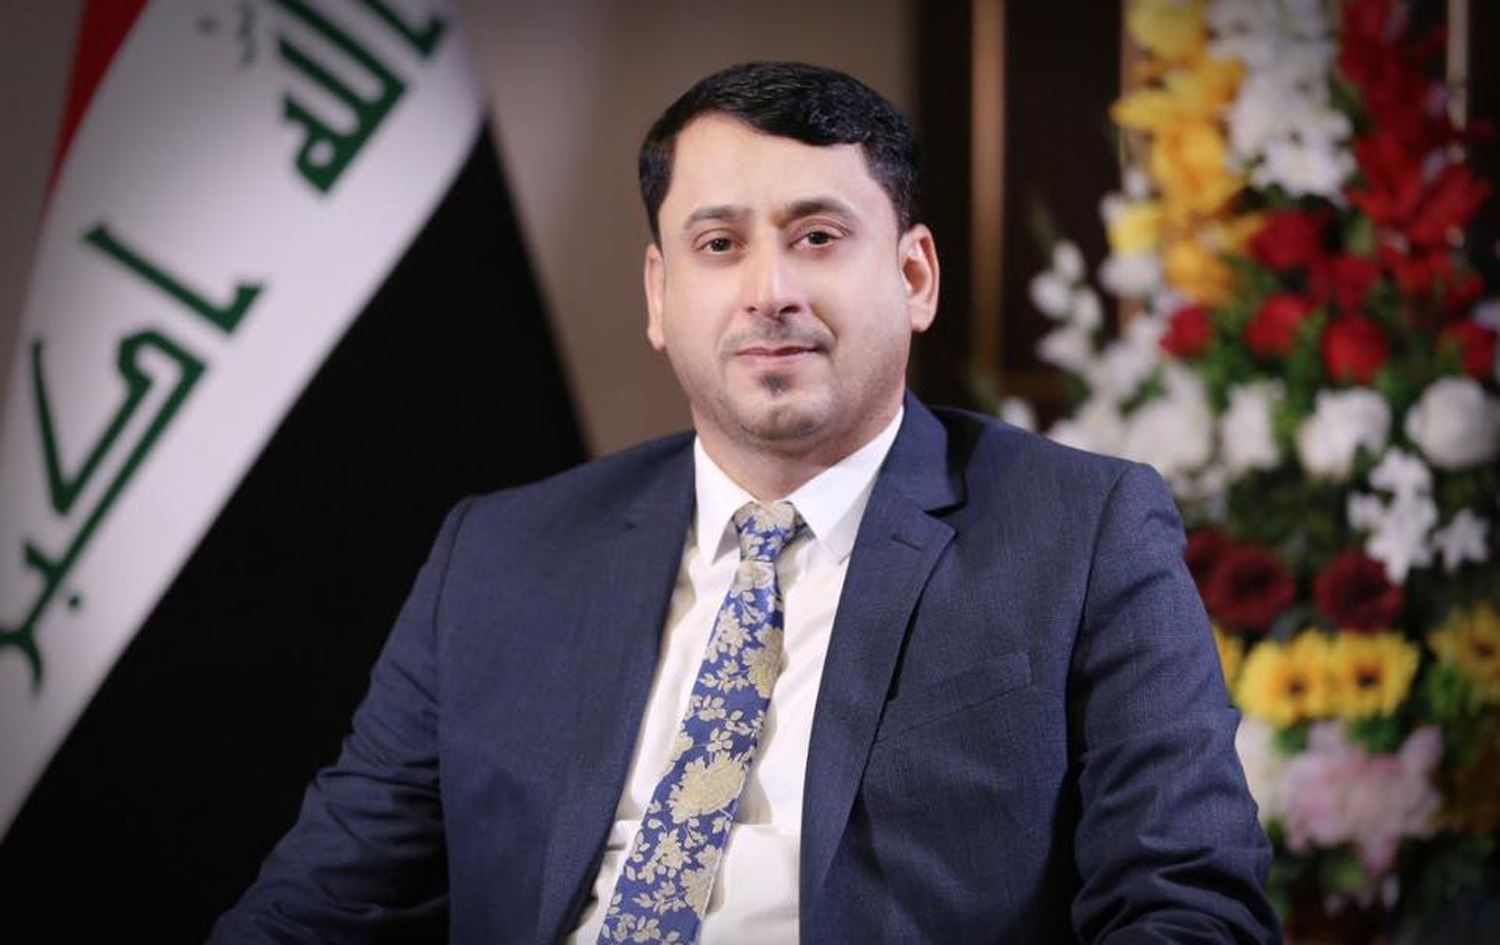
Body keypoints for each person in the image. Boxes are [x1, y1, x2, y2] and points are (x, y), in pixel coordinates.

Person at [209, 62, 1279, 944]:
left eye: (818, 236)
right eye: (719, 245)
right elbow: (318, 906)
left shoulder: (1083, 534)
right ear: (659, 295)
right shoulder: (498, 553)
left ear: (914, 277)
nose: (770, 291)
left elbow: (1191, 906)